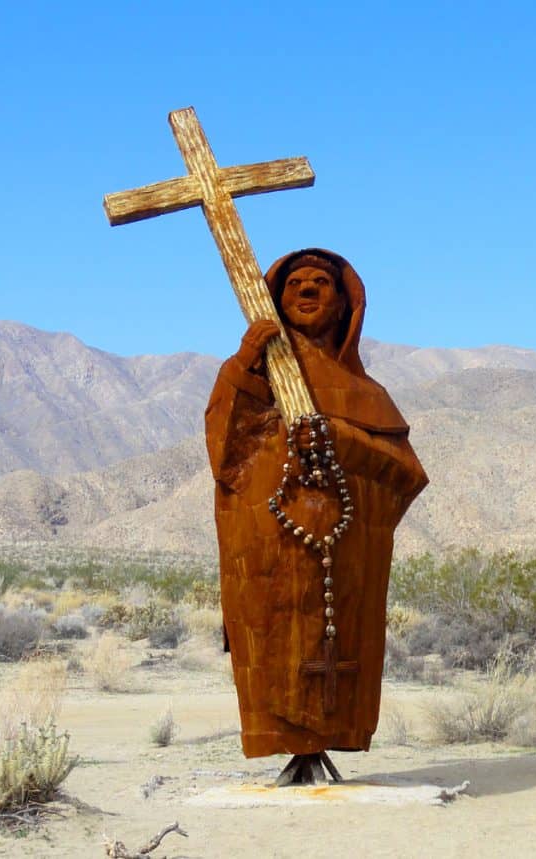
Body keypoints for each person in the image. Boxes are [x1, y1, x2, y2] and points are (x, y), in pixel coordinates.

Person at [205, 248, 428, 760]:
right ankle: (283, 744)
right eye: (295, 283)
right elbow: (227, 458)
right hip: (268, 558)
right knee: (272, 652)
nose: (307, 289)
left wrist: (342, 441)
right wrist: (244, 364)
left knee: (336, 653)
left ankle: (327, 743)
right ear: (276, 301)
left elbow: (406, 476)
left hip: (343, 562)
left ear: (347, 303)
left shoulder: (366, 392)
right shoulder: (251, 378)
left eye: (321, 283)